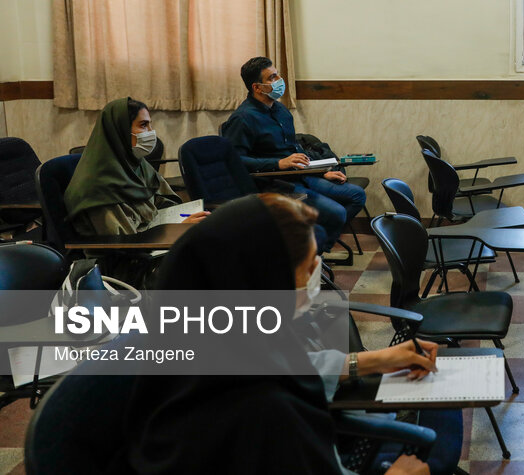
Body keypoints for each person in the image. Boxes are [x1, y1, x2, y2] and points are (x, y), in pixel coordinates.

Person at [114, 193, 438, 474]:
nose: (315, 279)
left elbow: (292, 366)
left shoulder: (203, 336)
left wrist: (373, 360)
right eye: (308, 269)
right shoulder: (264, 413)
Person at [221, 57, 366, 247]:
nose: (279, 80)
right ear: (257, 87)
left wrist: (321, 172)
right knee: (336, 213)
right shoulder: (243, 118)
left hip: (302, 175)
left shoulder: (280, 110)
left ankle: (314, 245)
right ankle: (307, 252)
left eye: (277, 74)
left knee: (356, 195)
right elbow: (235, 160)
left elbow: (294, 149)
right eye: (272, 78)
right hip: (276, 184)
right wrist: (278, 163)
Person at [64, 97, 209, 236]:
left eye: (150, 124)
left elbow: (163, 201)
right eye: (143, 125)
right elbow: (124, 242)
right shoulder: (98, 187)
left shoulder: (137, 165)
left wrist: (182, 221)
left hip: (154, 238)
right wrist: (177, 230)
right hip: (130, 250)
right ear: (120, 130)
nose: (151, 132)